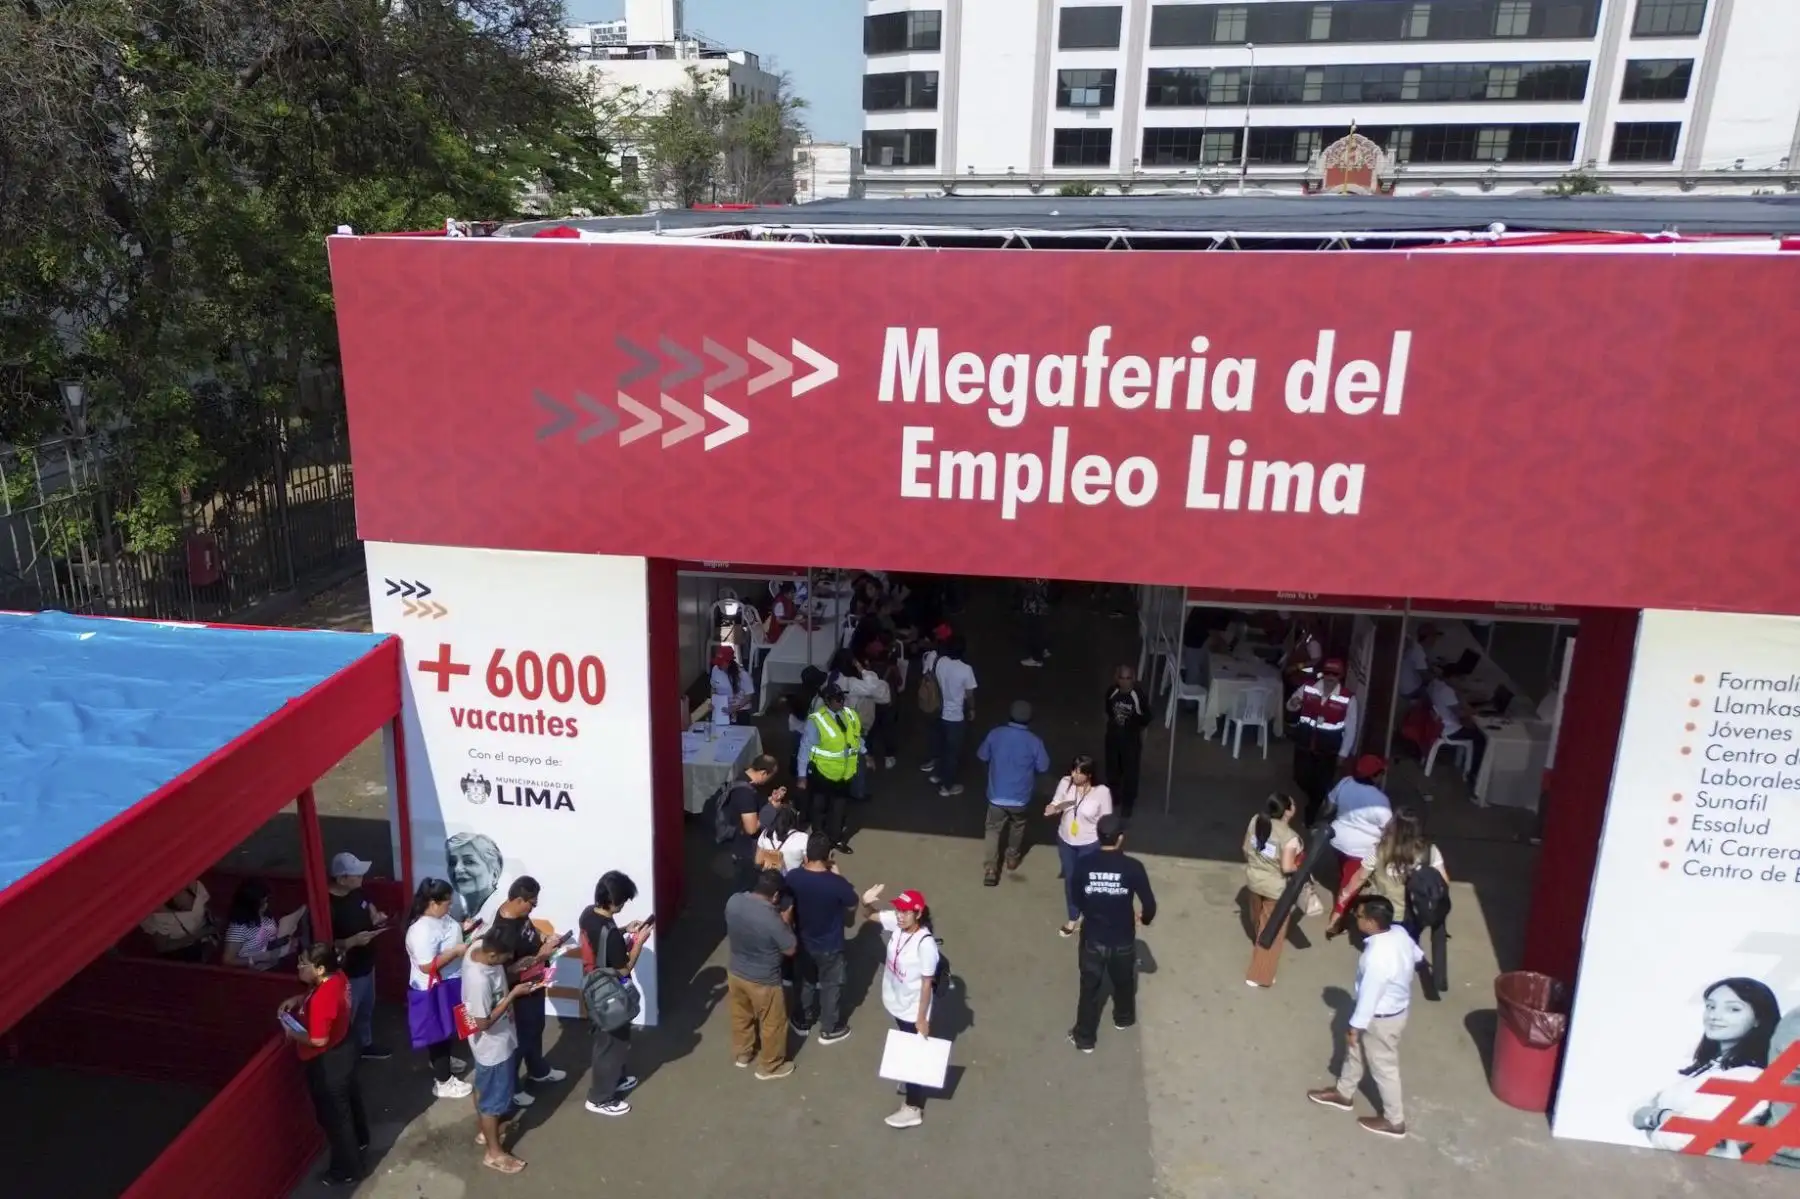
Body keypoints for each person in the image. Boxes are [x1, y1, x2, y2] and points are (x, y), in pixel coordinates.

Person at [1307, 896, 1422, 1139]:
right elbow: (1418, 955)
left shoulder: (1376, 958)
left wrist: (1354, 1026)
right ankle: (1344, 1092)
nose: (1355, 919)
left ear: (1371, 922)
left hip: (1381, 1018)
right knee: (1356, 1051)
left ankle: (1394, 1120)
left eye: (1358, 916)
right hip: (1394, 1009)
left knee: (1384, 1068)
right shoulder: (1399, 933)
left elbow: (1370, 996)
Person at [1633, 977, 1782, 1155]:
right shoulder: (1705, 1069)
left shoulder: (1751, 1076)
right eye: (1711, 1006)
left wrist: (1655, 1117)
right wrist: (1667, 1117)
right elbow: (1634, 1111)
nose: (1714, 1016)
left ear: (1758, 1019)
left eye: (1733, 1009)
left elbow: (1684, 1138)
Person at [280, 943, 368, 1187]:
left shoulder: (322, 998)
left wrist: (291, 1032)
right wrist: (300, 999)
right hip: (346, 1046)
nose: (298, 967)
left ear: (319, 969)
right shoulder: (337, 977)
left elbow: (318, 1039)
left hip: (328, 1061)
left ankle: (348, 1169)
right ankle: (361, 1140)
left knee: (335, 1117)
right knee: (350, 1100)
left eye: (303, 964)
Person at [1069, 815, 1155, 1053]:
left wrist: (1091, 909)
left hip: (1093, 938)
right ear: (1120, 839)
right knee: (1124, 980)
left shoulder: (1084, 864)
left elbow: (1076, 897)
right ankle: (1123, 1018)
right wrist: (1144, 919)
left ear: (1098, 836)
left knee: (1089, 988)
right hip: (1123, 937)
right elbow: (1150, 905)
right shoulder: (1133, 867)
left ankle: (1085, 1038)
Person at [858, 885, 941, 1129]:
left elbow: (927, 984)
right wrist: (865, 902)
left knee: (912, 1056)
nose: (900, 915)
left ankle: (913, 1107)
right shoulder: (897, 924)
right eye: (898, 910)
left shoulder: (925, 945)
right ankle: (910, 1083)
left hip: (911, 1008)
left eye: (905, 911)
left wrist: (922, 1018)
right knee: (907, 1049)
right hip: (896, 1002)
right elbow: (870, 915)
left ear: (918, 913)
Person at [490, 877, 569, 1105]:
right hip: (520, 991)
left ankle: (538, 1070)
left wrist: (543, 937)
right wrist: (541, 956)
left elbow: (529, 928)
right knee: (521, 1039)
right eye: (531, 904)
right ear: (517, 900)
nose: (533, 908)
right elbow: (505, 972)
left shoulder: (519, 914)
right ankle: (512, 1088)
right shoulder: (502, 932)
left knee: (536, 1028)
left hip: (535, 984)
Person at [578, 871, 649, 1117]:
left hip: (594, 989)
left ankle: (614, 1080)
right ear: (614, 901)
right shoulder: (613, 937)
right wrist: (639, 943)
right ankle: (599, 1098)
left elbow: (601, 937)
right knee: (611, 1045)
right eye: (624, 900)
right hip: (610, 994)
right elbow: (624, 970)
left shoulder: (588, 915)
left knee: (607, 1041)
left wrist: (623, 930)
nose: (624, 905)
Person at [785, 832, 860, 1043]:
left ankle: (801, 1019)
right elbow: (852, 902)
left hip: (802, 941)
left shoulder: (793, 877)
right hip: (830, 945)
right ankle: (830, 1027)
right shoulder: (836, 883)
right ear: (829, 856)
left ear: (806, 855)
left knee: (805, 982)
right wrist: (838, 875)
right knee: (831, 985)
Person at [404, 878, 473, 1099]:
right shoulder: (420, 930)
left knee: (447, 1028)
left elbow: (448, 936)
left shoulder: (441, 918)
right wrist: (455, 952)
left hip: (449, 982)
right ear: (433, 903)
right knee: (437, 1033)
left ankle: (444, 1063)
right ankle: (443, 1081)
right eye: (446, 904)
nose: (449, 907)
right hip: (432, 989)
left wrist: (464, 929)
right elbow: (426, 966)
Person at [724, 869, 797, 1079]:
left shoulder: (733, 901)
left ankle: (743, 1054)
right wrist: (786, 920)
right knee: (772, 1023)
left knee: (741, 1016)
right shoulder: (772, 919)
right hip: (765, 980)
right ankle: (771, 1066)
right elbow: (790, 948)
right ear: (775, 896)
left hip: (736, 972)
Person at [975, 700, 1051, 886]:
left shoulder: (995, 734)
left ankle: (991, 869)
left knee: (993, 829)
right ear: (1029, 719)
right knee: (1018, 826)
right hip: (1020, 798)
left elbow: (982, 755)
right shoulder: (1034, 741)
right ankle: (1012, 858)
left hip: (996, 795)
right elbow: (1044, 766)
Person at [1337, 808, 1448, 933]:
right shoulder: (1430, 850)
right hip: (1414, 912)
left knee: (1381, 941)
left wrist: (1345, 894)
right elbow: (1443, 881)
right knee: (1409, 941)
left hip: (1384, 912)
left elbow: (1361, 877)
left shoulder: (1379, 850)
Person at [327, 851, 391, 1059]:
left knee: (366, 1009)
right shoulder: (327, 905)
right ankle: (343, 1058)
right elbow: (323, 943)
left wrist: (377, 917)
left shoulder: (358, 892)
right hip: (348, 972)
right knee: (347, 1016)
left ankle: (365, 1045)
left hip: (367, 964)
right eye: (356, 875)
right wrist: (351, 942)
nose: (361, 878)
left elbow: (370, 909)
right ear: (341, 878)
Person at [1046, 754, 1114, 937]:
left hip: (1089, 844)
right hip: (1066, 841)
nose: (1074, 775)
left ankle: (1090, 914)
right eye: (1073, 770)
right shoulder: (1065, 782)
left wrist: (1107, 848)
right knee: (1071, 879)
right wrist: (1053, 807)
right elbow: (1057, 801)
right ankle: (1073, 916)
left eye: (1079, 772)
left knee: (1088, 881)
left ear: (1089, 775)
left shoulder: (1102, 792)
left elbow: (1106, 821)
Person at [1286, 658, 1359, 825]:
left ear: (1340, 676)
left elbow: (1351, 729)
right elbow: (1290, 706)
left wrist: (1343, 753)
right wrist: (1294, 703)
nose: (1330, 677)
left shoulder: (1348, 699)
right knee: (1300, 777)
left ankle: (1311, 812)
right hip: (1304, 743)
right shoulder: (1308, 688)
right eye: (1327, 673)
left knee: (1320, 783)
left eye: (1335, 674)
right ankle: (1321, 796)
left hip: (1328, 749)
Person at [1324, 756, 1394, 928]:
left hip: (1337, 839)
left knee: (1345, 872)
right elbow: (1389, 831)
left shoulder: (1345, 783)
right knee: (1350, 885)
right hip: (1360, 850)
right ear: (1374, 776)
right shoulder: (1380, 801)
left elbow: (1329, 805)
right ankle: (1336, 920)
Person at [1243, 793, 1304, 989]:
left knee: (1258, 918)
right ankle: (1259, 975)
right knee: (1272, 932)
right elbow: (1287, 868)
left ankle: (1259, 945)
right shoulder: (1289, 837)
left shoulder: (1256, 821)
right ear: (1287, 811)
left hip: (1253, 879)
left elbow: (1245, 848)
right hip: (1275, 888)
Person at [797, 683, 862, 855]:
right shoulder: (817, 720)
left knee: (839, 808)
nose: (842, 702)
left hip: (844, 772)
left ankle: (836, 839)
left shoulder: (849, 715)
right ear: (827, 701)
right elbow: (805, 748)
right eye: (837, 699)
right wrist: (802, 775)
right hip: (822, 772)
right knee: (819, 807)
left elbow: (855, 738)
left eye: (843, 698)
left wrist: (866, 753)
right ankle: (819, 843)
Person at [920, 633, 977, 797]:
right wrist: (972, 709)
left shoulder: (940, 662)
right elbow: (969, 694)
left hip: (938, 711)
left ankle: (937, 774)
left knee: (941, 746)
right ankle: (947, 786)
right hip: (955, 717)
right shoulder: (966, 670)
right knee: (952, 752)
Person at [1102, 665, 1152, 818]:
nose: (1124, 682)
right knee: (1113, 770)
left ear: (1133, 679)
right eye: (1121, 678)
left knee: (1130, 773)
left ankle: (1128, 804)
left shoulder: (1138, 696)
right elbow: (1108, 709)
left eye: (1128, 678)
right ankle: (1114, 798)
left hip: (1130, 742)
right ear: (1117, 678)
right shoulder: (1112, 692)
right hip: (1113, 738)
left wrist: (1134, 726)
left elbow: (1147, 716)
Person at [221, 878, 302, 970]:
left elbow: (268, 942)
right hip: (254, 972)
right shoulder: (239, 928)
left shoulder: (266, 917)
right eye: (262, 903)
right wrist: (257, 958)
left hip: (273, 962)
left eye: (267, 901)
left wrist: (285, 941)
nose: (266, 906)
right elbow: (228, 960)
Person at [1426, 668, 1487, 786]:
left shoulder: (1435, 685)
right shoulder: (1447, 691)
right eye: (1460, 679)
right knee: (1481, 738)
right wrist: (1477, 711)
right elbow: (1460, 714)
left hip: (1439, 725)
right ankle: (1474, 772)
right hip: (1450, 730)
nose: (1461, 683)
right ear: (1452, 678)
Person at [140, 880, 218, 962]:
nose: (190, 909)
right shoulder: (162, 917)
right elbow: (162, 947)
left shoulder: (196, 888)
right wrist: (196, 936)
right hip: (182, 950)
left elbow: (207, 907)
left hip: (206, 935)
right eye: (182, 907)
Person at [446, 832, 505, 927]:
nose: (457, 869)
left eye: (469, 861)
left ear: (494, 874)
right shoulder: (452, 916)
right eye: (452, 862)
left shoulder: (506, 917)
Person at [708, 643, 754, 726]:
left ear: (729, 662)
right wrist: (713, 701)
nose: (719, 665)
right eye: (717, 662)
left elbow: (749, 696)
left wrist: (734, 708)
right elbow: (713, 688)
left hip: (740, 710)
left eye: (721, 663)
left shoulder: (743, 675)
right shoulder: (715, 669)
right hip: (721, 709)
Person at [757, 804, 810, 874]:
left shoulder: (765, 833)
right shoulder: (803, 838)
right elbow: (809, 866)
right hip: (792, 881)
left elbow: (758, 860)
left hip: (769, 880)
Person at [1397, 625, 1441, 700]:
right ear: (1428, 638)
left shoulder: (1415, 646)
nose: (1435, 640)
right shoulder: (1418, 652)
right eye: (1434, 637)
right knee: (1440, 689)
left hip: (1404, 687)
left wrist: (1432, 667)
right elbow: (1425, 677)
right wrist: (1437, 675)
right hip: (1411, 691)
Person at [1019, 577, 1052, 667]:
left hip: (1035, 603)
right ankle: (1043, 650)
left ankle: (1036, 658)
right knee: (1041, 625)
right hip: (1042, 601)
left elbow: (1028, 585)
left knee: (1035, 627)